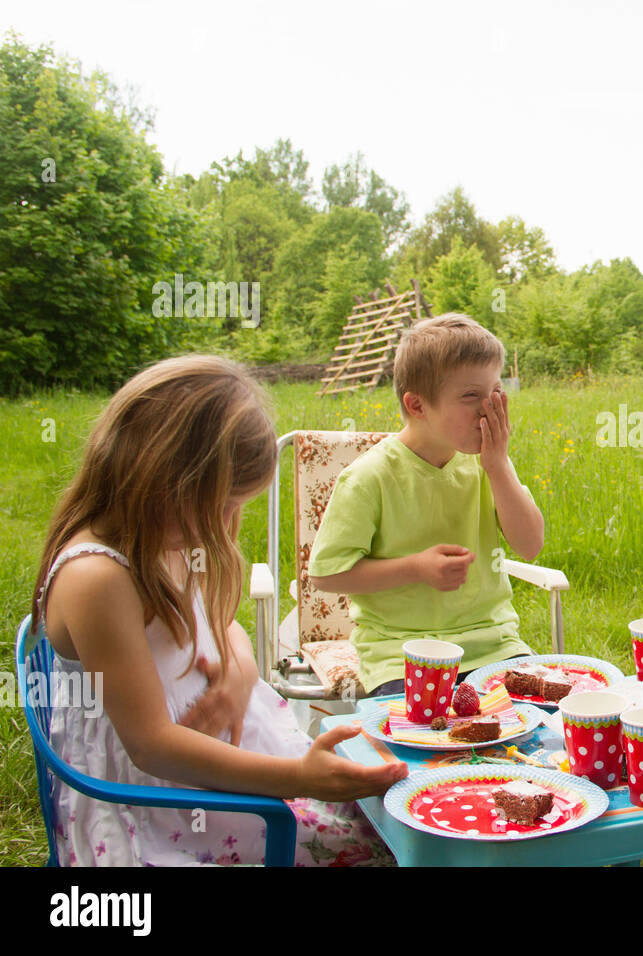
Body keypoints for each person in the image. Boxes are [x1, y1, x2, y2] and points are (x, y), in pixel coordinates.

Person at [33, 356, 407, 866]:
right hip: (166, 805)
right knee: (389, 851)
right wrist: (299, 779)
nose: (227, 526)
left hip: (231, 770)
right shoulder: (97, 578)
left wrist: (240, 673)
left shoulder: (163, 537)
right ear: (160, 478)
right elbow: (151, 746)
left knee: (398, 825)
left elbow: (223, 626)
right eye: (221, 505)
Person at [309, 314, 544, 697]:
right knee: (424, 744)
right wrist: (414, 568)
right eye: (471, 396)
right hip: (402, 654)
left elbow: (530, 545)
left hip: (495, 646)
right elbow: (326, 575)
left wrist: (498, 466)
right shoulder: (370, 478)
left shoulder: (488, 463)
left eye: (496, 391)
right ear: (417, 405)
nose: (489, 409)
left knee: (545, 735)